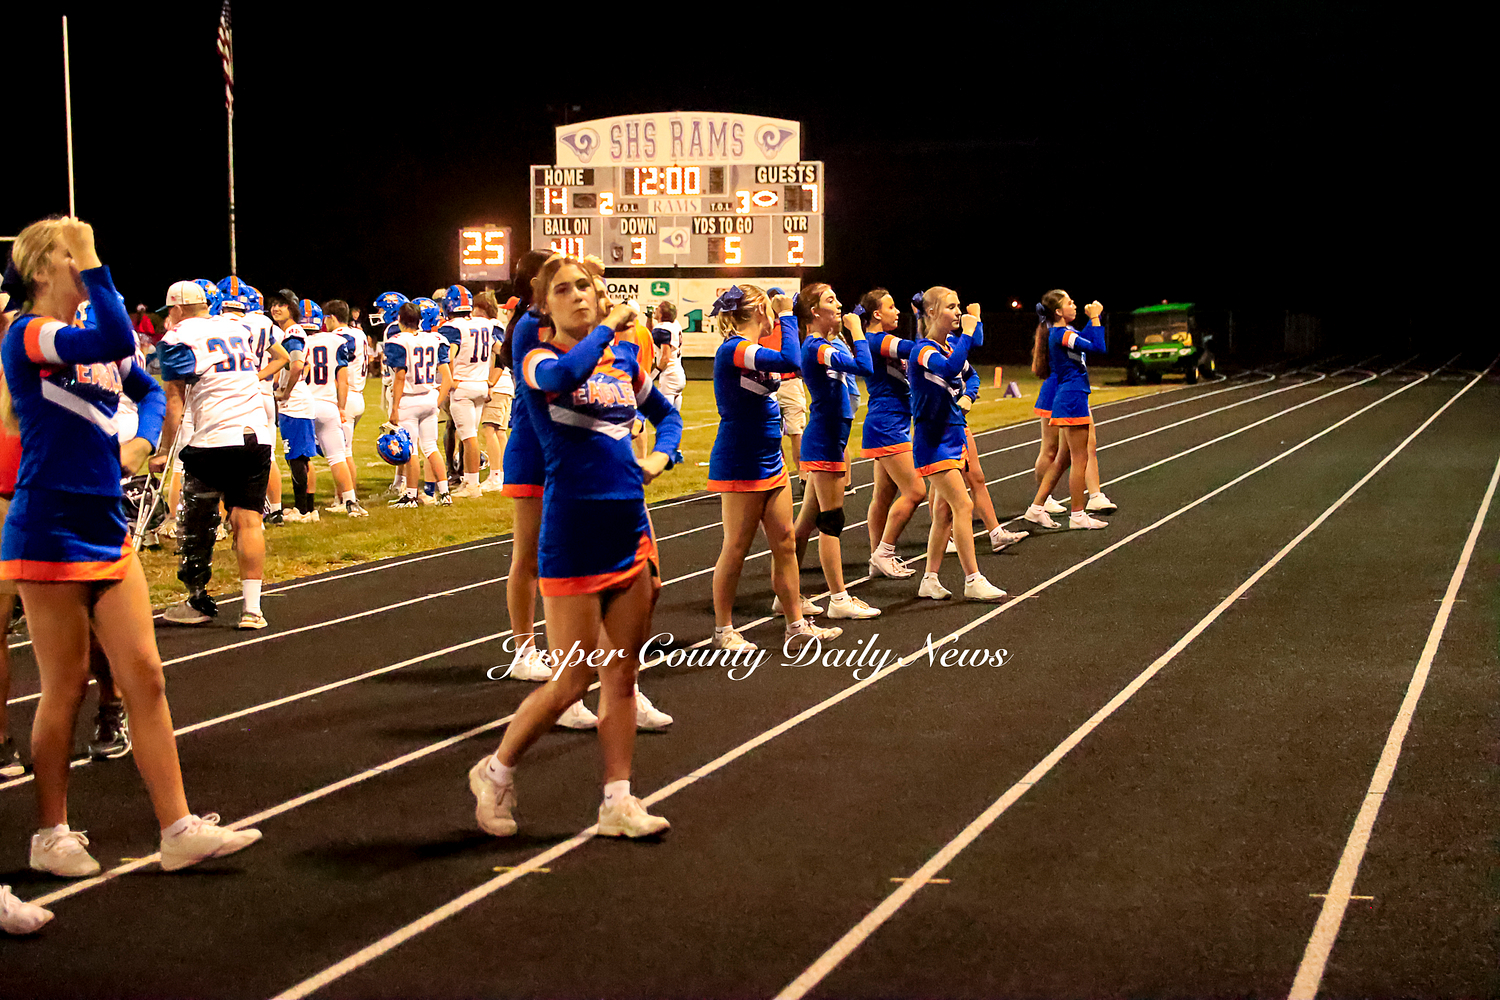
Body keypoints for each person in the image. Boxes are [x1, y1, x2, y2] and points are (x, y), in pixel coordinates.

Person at [0, 217, 261, 876]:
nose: (86, 266)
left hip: (105, 523)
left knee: (145, 675)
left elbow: (144, 385)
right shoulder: (30, 334)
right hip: (48, 525)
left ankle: (177, 827)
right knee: (65, 687)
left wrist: (144, 439)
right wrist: (95, 260)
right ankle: (50, 833)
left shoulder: (89, 342)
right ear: (42, 269)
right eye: (73, 257)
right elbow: (118, 336)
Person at [467, 254, 682, 839]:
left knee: (622, 676)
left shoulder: (622, 363)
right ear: (544, 305)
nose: (579, 295)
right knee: (571, 680)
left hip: (628, 530)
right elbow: (564, 377)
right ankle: (495, 770)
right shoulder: (537, 359)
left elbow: (667, 415)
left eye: (585, 285)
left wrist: (662, 456)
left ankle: (618, 800)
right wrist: (610, 327)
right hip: (572, 533)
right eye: (563, 289)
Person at [707, 285, 843, 651]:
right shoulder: (734, 349)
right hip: (741, 460)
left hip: (770, 458)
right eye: (768, 310)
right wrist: (786, 314)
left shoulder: (752, 349)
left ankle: (795, 625)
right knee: (736, 547)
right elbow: (790, 361)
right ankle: (723, 630)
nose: (773, 317)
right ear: (758, 312)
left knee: (784, 543)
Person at [153, 280, 277, 628]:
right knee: (248, 521)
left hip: (214, 437)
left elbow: (174, 399)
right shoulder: (236, 327)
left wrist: (164, 450)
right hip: (255, 435)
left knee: (196, 524)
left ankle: (197, 600)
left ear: (178, 309)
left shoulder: (178, 337)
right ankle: (252, 609)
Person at [906, 288, 1008, 601]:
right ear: (932, 312)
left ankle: (929, 579)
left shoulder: (949, 346)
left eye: (959, 306)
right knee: (963, 505)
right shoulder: (922, 351)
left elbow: (971, 373)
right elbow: (950, 369)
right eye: (951, 307)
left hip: (954, 435)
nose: (958, 312)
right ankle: (973, 579)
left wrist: (969, 396)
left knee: (943, 513)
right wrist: (969, 330)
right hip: (933, 441)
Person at [792, 283, 879, 619]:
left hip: (828, 438)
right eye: (831, 300)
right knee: (831, 521)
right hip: (825, 440)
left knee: (805, 524)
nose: (840, 305)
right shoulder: (817, 347)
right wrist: (857, 331)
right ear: (814, 311)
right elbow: (865, 367)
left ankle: (786, 593)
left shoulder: (824, 345)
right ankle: (839, 599)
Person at [1026, 291, 1110, 529]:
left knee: (1063, 459)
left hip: (1070, 396)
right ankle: (1078, 515)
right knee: (1079, 458)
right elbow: (1099, 347)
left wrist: (1092, 321)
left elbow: (1086, 340)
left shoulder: (1064, 333)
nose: (1075, 305)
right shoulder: (1062, 334)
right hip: (1072, 398)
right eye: (1070, 303)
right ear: (1058, 312)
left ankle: (1036, 508)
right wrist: (1095, 318)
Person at [856, 290, 923, 580]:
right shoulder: (877, 340)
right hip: (887, 425)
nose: (897, 311)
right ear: (876, 314)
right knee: (916, 491)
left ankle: (876, 558)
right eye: (891, 306)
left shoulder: (879, 340)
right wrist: (924, 319)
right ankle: (884, 551)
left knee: (883, 496)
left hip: (890, 421)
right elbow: (915, 349)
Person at [300, 300, 366, 516]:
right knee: (339, 455)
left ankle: (305, 507)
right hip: (333, 402)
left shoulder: (297, 341)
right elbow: (342, 378)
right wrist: (341, 407)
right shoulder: (342, 339)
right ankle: (350, 501)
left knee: (302, 458)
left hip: (306, 403)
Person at [384, 301, 453, 507]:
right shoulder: (434, 339)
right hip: (429, 396)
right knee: (431, 447)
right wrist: (437, 402)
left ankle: (411, 496)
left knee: (411, 450)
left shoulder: (398, 341)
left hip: (409, 399)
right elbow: (447, 377)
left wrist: (394, 408)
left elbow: (400, 376)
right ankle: (445, 494)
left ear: (400, 320)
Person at [436, 284, 495, 499]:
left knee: (468, 438)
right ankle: (470, 481)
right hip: (480, 384)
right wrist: (490, 379)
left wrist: (450, 380)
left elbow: (449, 356)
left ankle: (472, 486)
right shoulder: (485, 323)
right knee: (470, 436)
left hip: (464, 386)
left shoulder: (452, 327)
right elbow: (499, 351)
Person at [267, 289, 319, 522]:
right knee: (301, 457)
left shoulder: (293, 332)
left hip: (295, 401)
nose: (276, 308)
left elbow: (297, 365)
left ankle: (302, 509)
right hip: (300, 400)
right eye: (274, 304)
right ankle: (308, 508)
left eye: (282, 304)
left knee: (295, 457)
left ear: (292, 308)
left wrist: (285, 392)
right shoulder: (292, 332)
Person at [322, 299, 368, 501]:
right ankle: (343, 496)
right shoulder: (359, 333)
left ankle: (346, 499)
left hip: (346, 397)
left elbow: (340, 370)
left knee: (342, 453)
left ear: (332, 317)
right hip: (358, 395)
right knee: (344, 450)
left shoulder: (337, 337)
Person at [476, 291, 511, 492]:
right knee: (499, 432)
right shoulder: (495, 326)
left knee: (489, 430)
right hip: (504, 385)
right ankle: (502, 474)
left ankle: (495, 476)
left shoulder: (492, 326)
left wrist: (490, 383)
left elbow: (500, 355)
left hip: (498, 384)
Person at [651, 301, 685, 412]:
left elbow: (665, 358)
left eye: (658, 309)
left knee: (664, 416)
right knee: (674, 416)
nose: (655, 310)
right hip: (679, 373)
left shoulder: (663, 329)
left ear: (662, 314)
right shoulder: (675, 324)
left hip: (669, 376)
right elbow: (653, 335)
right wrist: (649, 319)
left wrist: (652, 376)